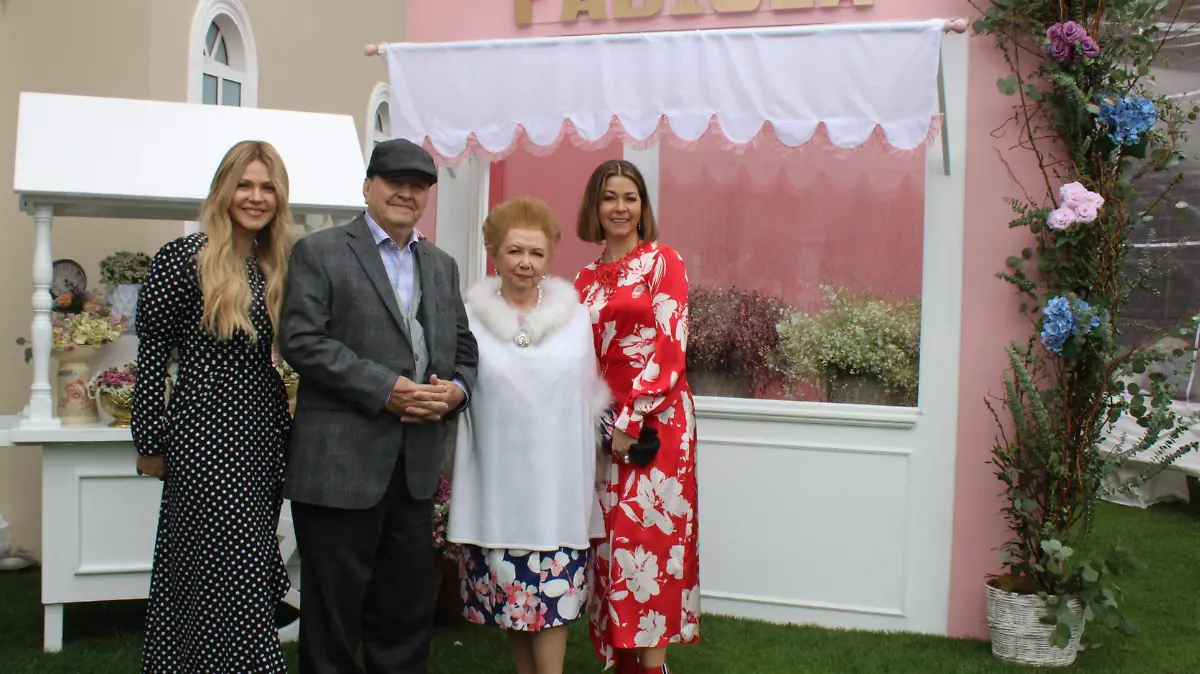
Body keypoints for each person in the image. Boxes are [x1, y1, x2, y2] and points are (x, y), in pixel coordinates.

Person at [279, 138, 478, 674]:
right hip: (339, 466)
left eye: (418, 187)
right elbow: (301, 340)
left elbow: (465, 349)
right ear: (368, 187)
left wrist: (456, 390)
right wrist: (383, 388)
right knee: (334, 616)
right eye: (395, 183)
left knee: (406, 612)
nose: (406, 194)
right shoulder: (319, 252)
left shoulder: (441, 265)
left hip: (414, 470)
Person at [131, 140, 295, 673]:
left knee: (235, 572)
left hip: (262, 437)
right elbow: (152, 357)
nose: (255, 197)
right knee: (221, 573)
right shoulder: (183, 259)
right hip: (205, 435)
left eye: (266, 187)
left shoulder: (275, 264)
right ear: (223, 190)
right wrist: (149, 441)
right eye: (244, 185)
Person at [447, 196, 609, 674]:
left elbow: (587, 395)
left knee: (551, 605)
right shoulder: (469, 316)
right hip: (497, 482)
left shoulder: (574, 316)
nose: (525, 262)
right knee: (513, 602)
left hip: (556, 486)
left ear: (549, 257)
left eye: (536, 253)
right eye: (514, 250)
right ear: (494, 251)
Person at [574, 160, 700, 674]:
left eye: (630, 197)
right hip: (605, 426)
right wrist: (603, 425)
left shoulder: (662, 262)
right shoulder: (582, 279)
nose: (620, 207)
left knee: (651, 541)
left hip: (658, 420)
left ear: (643, 207)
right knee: (609, 545)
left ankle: (652, 666)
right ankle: (621, 661)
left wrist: (631, 421)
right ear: (594, 207)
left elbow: (671, 348)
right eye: (609, 197)